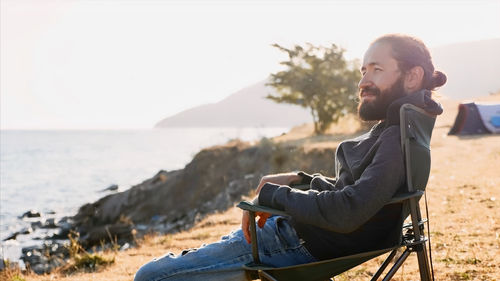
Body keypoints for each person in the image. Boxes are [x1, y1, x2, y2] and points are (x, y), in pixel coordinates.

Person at [134, 34, 447, 281]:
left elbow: (348, 210)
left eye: (377, 69)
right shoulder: (402, 126)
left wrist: (273, 195)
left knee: (149, 276)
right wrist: (303, 180)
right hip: (297, 235)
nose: (364, 80)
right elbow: (358, 192)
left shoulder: (395, 136)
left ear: (412, 76)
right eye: (363, 70)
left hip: (293, 242)